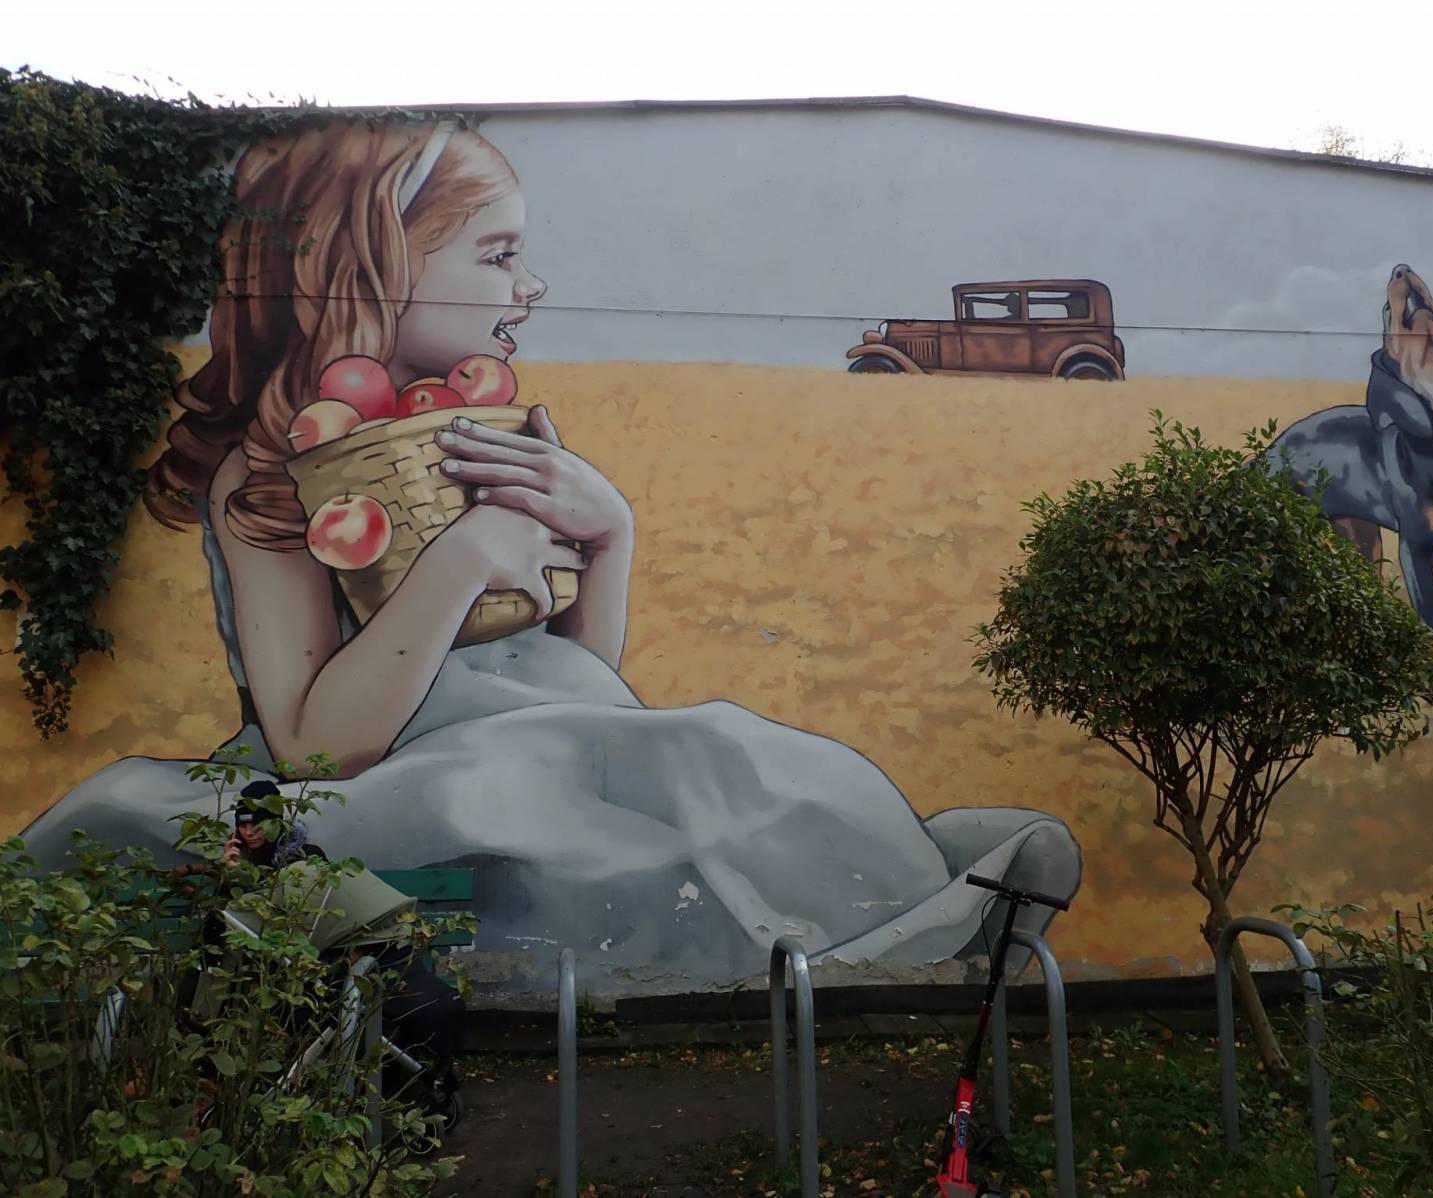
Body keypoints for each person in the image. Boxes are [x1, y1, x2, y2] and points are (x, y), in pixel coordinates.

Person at [21, 118, 1081, 990]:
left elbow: (570, 678)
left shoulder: (475, 435)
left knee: (707, 755)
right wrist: (460, 557)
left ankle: (869, 919)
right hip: (385, 801)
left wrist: (607, 535)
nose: (528, 287)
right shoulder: (270, 475)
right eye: (496, 256)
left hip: (532, 759)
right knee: (701, 757)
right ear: (370, 266)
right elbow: (312, 751)